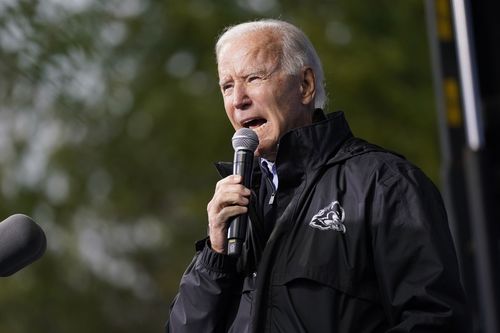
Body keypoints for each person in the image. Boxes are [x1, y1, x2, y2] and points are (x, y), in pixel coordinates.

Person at [166, 19, 470, 332]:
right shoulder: (237, 207)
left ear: (305, 85)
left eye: (253, 78)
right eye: (227, 86)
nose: (238, 99)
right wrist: (215, 257)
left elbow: (435, 320)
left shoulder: (385, 183)